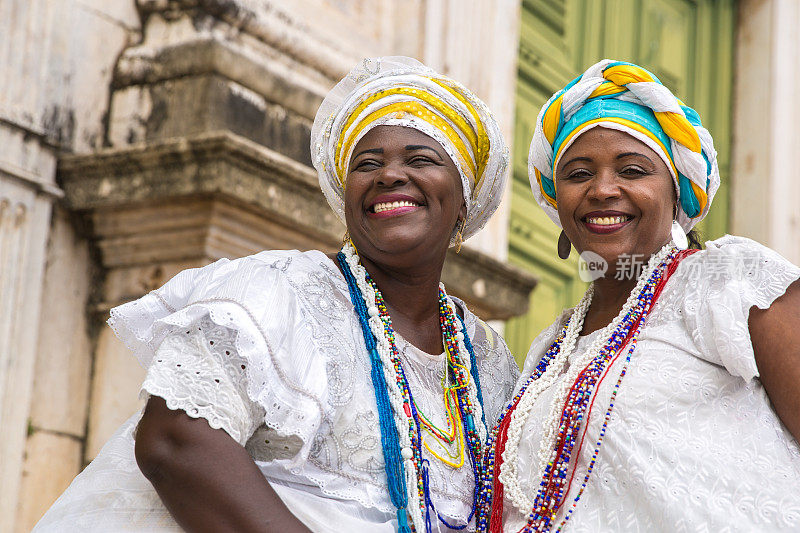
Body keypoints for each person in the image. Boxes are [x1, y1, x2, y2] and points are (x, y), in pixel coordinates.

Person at [35, 56, 519, 533]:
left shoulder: (486, 359)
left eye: (421, 159)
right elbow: (176, 442)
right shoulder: (279, 289)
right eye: (367, 164)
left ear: (465, 201)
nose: (389, 175)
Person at [476, 60, 800, 532]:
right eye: (578, 173)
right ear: (556, 201)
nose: (602, 189)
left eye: (632, 170)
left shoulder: (729, 284)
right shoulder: (551, 350)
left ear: (677, 196)